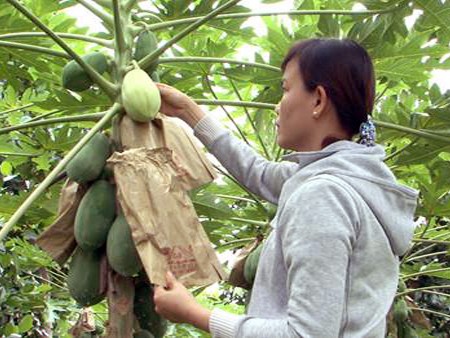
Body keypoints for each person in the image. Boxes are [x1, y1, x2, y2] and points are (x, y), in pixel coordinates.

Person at [152, 38, 419, 337]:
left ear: (318, 100)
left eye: (286, 89)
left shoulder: (324, 195)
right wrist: (189, 112)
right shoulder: (349, 179)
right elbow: (260, 173)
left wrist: (196, 314)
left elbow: (306, 335)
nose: (276, 105)